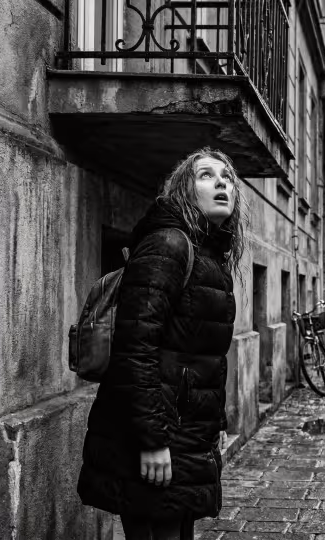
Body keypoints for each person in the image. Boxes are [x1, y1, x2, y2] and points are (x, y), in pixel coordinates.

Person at [77, 148, 246, 539]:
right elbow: (134, 348)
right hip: (155, 438)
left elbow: (198, 358)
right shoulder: (169, 246)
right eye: (206, 175)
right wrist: (151, 441)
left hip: (184, 434)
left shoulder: (209, 255)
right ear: (186, 191)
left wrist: (214, 424)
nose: (222, 182)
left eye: (227, 177)